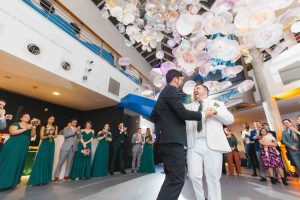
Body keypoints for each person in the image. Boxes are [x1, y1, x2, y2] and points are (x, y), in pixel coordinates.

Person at [150, 69, 215, 200]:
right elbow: (182, 113)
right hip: (173, 142)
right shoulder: (172, 90)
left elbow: (153, 116)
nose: (181, 82)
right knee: (177, 179)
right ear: (175, 79)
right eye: (181, 79)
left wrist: (167, 122)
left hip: (166, 141)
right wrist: (203, 114)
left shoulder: (164, 93)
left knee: (172, 178)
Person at [185, 84, 234, 200]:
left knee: (213, 177)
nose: (195, 90)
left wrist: (217, 112)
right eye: (194, 89)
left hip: (212, 145)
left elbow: (230, 119)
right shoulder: (188, 106)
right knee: (193, 175)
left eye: (198, 88)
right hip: (193, 144)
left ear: (206, 91)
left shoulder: (217, 103)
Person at [0, 113, 36, 190]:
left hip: (23, 147)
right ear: (21, 118)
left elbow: (32, 135)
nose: (27, 117)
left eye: (28, 117)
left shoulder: (30, 126)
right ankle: (3, 182)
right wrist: (26, 128)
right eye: (25, 116)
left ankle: (14, 182)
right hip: (13, 146)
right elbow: (13, 132)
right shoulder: (16, 124)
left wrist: (33, 128)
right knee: (9, 162)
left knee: (19, 163)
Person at [28, 116, 58, 186]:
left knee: (48, 160)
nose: (52, 120)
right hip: (45, 144)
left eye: (53, 119)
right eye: (50, 119)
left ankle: (45, 179)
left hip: (51, 144)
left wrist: (51, 135)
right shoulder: (43, 127)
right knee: (41, 160)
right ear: (47, 119)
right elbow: (41, 137)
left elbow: (55, 135)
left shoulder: (55, 126)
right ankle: (36, 180)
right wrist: (48, 136)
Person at [53, 118, 81, 183]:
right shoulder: (66, 128)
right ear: (71, 122)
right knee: (60, 162)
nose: (75, 123)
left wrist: (78, 132)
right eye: (73, 122)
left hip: (73, 148)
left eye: (76, 122)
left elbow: (80, 137)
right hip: (65, 147)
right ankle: (56, 177)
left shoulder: (77, 130)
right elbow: (66, 135)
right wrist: (74, 131)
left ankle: (66, 176)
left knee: (69, 163)